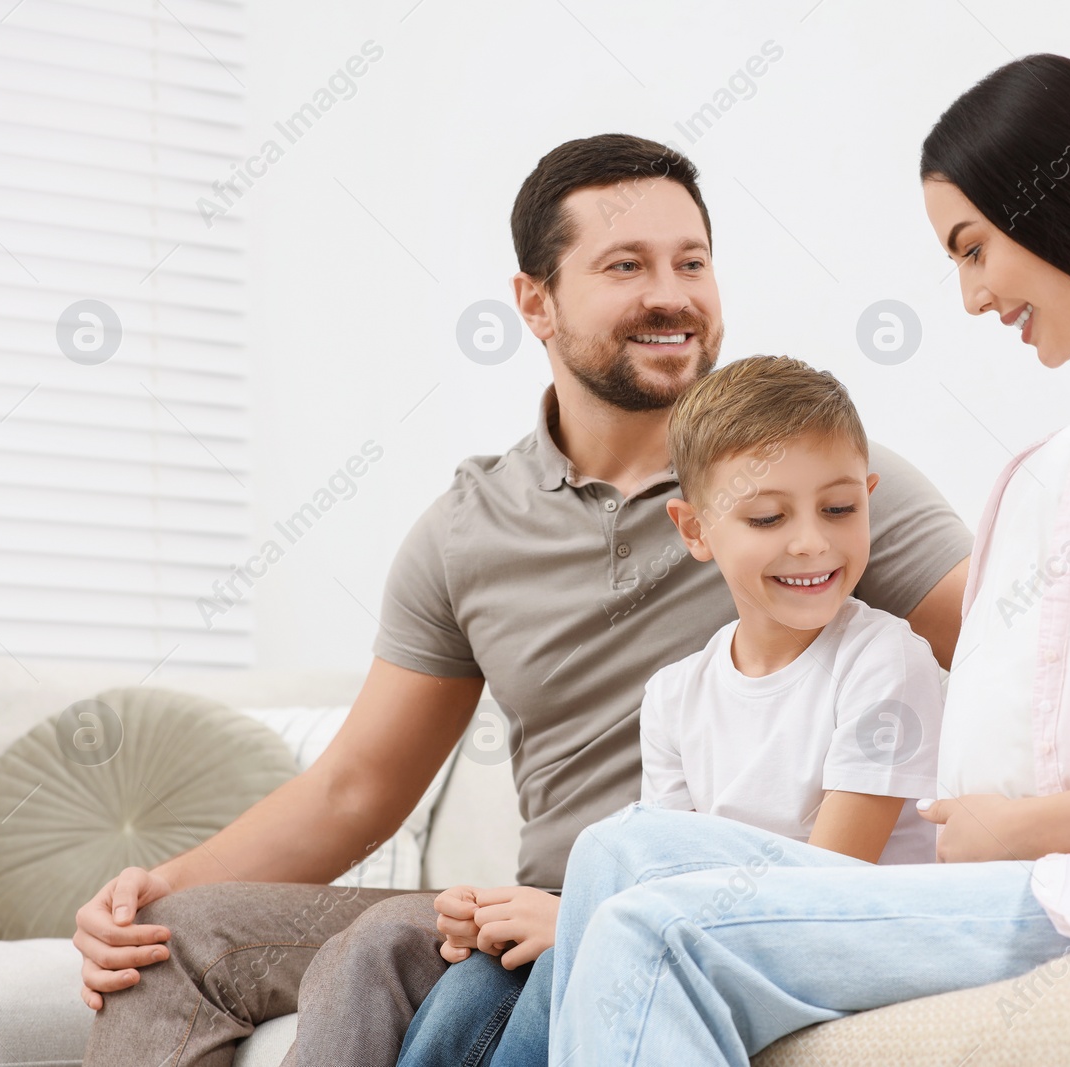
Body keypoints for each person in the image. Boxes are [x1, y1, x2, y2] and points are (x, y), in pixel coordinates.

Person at [546, 54, 1070, 1065]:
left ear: (1068, 198)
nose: (970, 296)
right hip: (1023, 867)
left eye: (972, 248)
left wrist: (1026, 825)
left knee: (659, 932)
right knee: (620, 849)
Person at [74, 133, 977, 1067]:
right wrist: (152, 888)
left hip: (703, 908)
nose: (671, 293)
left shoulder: (827, 491)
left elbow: (1009, 673)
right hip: (516, 912)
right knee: (166, 941)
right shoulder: (468, 530)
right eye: (626, 264)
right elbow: (355, 788)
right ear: (534, 303)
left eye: (692, 262)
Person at [396, 355, 946, 1066]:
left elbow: (829, 884)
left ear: (869, 497)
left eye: (840, 508)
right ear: (694, 529)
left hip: (828, 937)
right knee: (471, 990)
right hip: (713, 930)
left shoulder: (884, 660)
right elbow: (665, 872)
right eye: (767, 515)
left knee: (578, 960)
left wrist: (581, 919)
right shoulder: (677, 693)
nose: (812, 539)